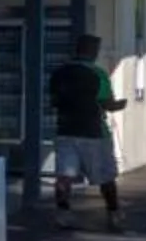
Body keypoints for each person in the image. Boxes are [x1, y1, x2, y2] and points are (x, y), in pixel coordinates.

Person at [48, 34, 123, 230]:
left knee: (64, 176)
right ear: (93, 51)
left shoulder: (59, 73)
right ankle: (113, 214)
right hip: (94, 132)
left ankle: (62, 214)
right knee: (105, 177)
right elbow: (107, 103)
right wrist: (120, 105)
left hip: (65, 130)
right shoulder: (97, 74)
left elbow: (54, 101)